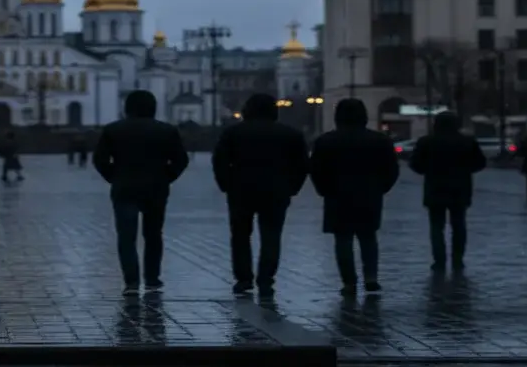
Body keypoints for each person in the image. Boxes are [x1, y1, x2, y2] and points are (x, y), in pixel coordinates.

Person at [212, 93, 309, 298]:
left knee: (240, 236)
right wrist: (293, 187)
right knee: (271, 236)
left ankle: (243, 279)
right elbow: (301, 165)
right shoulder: (290, 134)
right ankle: (266, 280)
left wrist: (226, 185)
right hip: (276, 191)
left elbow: (219, 161)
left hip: (240, 190)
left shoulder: (234, 133)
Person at [93, 89, 190, 294]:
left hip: (124, 188)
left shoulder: (113, 130)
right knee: (153, 234)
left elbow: (100, 160)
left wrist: (114, 177)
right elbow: (181, 160)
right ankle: (153, 279)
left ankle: (131, 282)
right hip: (156, 188)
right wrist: (166, 177)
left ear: (127, 108)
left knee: (126, 236)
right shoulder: (167, 130)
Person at [309, 99, 400, 296]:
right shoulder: (380, 140)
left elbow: (316, 170)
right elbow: (392, 170)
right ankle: (371, 277)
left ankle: (349, 282)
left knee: (343, 240)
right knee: (368, 237)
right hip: (369, 195)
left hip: (337, 195)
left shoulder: (326, 141)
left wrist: (324, 190)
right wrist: (380, 188)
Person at [408, 112, 486, 272]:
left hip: (435, 187)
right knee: (459, 225)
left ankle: (439, 260)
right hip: (460, 188)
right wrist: (465, 170)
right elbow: (480, 162)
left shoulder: (427, 141)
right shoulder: (467, 141)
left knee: (436, 227)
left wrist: (428, 170)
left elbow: (415, 163)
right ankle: (458, 259)